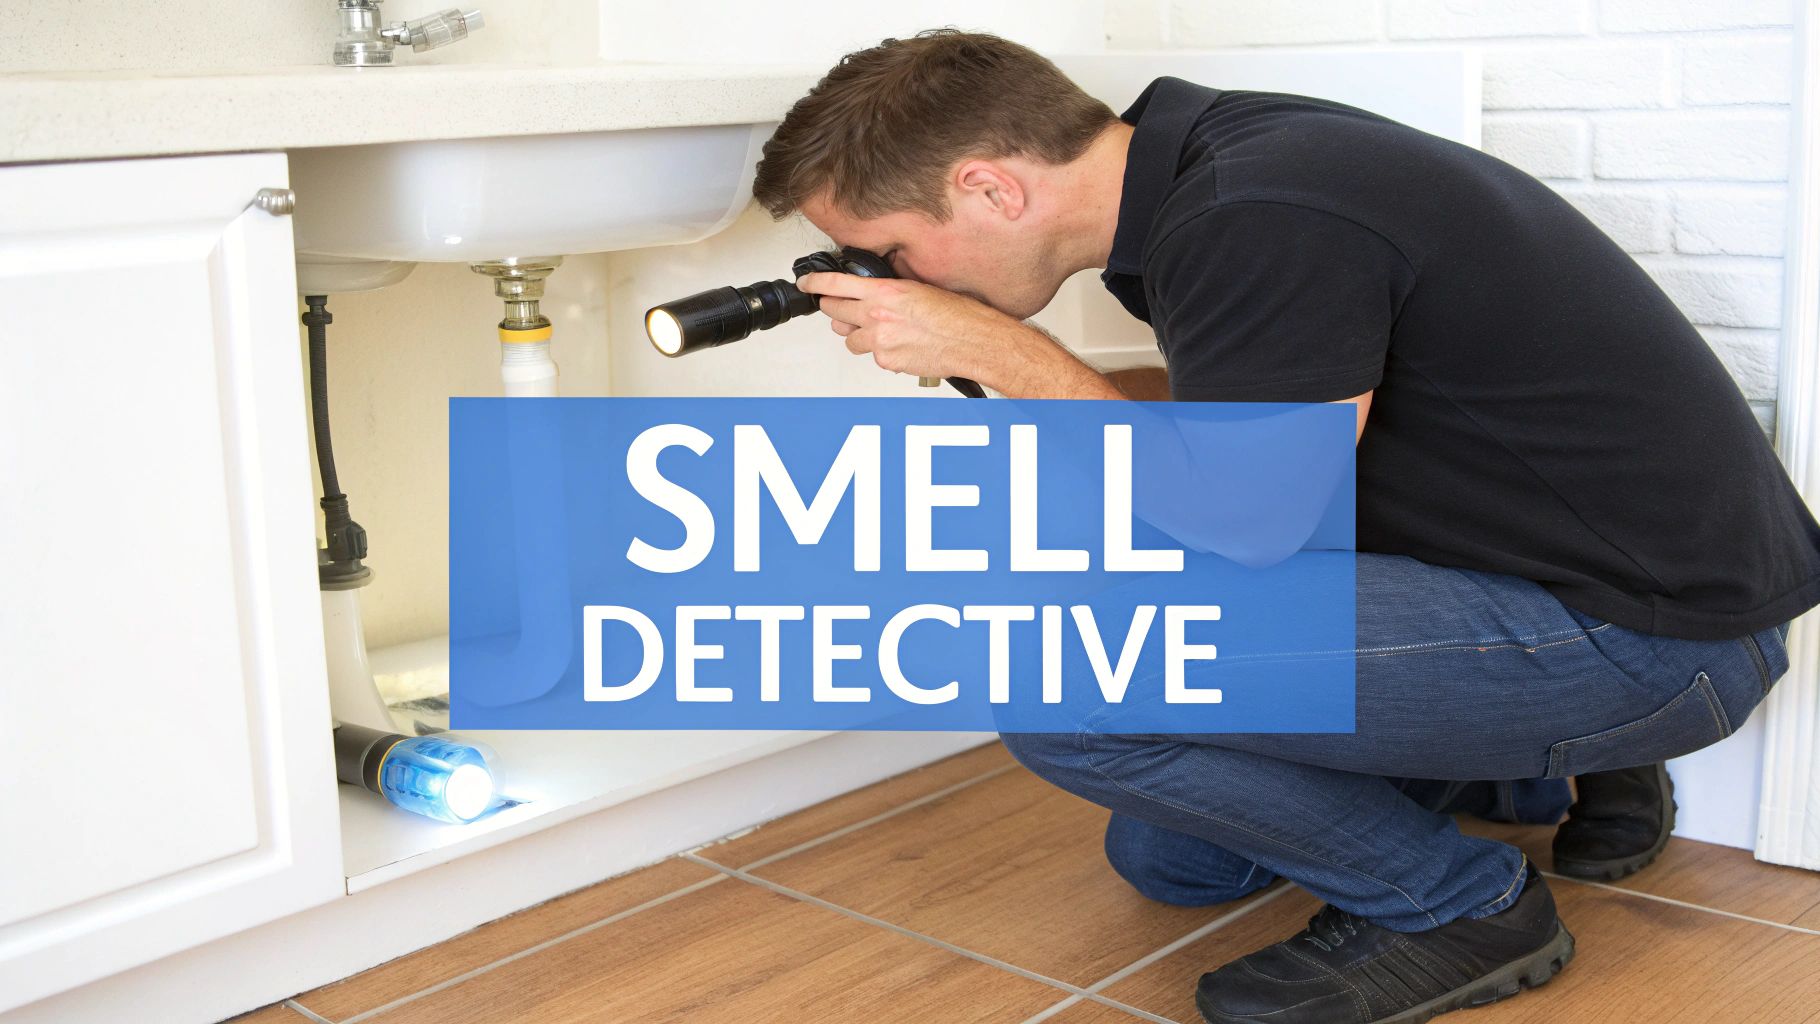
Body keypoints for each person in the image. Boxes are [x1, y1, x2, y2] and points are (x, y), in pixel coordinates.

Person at [752, 29, 1817, 1024]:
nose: (891, 281)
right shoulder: (1209, 166)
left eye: (886, 250)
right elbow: (1261, 435)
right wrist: (1011, 365)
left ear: (987, 185)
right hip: (1560, 567)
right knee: (1178, 865)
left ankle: (1460, 905)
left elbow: (1249, 518)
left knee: (1058, 675)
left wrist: (1008, 359)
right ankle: (1524, 762)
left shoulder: (1253, 214)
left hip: (1645, 634)